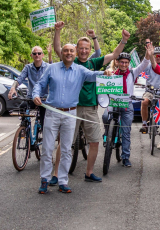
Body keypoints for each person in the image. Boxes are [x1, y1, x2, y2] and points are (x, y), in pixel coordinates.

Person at [54, 21, 130, 183]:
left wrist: (123, 40)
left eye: (86, 48)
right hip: (71, 109)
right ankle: (55, 174)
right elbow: (57, 49)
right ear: (76, 49)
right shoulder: (70, 61)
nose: (83, 51)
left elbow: (114, 55)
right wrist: (57, 31)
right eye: (80, 48)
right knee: (65, 143)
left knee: (95, 141)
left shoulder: (93, 63)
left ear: (89, 50)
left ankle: (89, 173)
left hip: (90, 109)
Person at [33, 43, 112, 194]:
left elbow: (93, 75)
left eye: (71, 51)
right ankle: (45, 179)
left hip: (70, 114)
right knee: (47, 148)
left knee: (66, 149)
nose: (68, 53)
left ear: (74, 53)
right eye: (66, 50)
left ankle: (63, 181)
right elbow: (40, 84)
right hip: (52, 112)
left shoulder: (81, 70)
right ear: (61, 53)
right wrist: (35, 95)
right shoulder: (52, 68)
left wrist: (105, 73)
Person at [109, 47, 152, 166]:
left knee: (126, 132)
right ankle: (108, 137)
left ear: (129, 63)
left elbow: (144, 64)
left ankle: (126, 157)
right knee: (104, 118)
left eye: (126, 62)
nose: (124, 64)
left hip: (127, 104)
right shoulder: (112, 74)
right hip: (115, 102)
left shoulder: (133, 72)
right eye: (121, 62)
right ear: (117, 62)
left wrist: (148, 54)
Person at [8, 46, 49, 128]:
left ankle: (43, 136)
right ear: (31, 55)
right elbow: (19, 79)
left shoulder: (48, 67)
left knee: (44, 120)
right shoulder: (28, 67)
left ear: (43, 55)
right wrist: (13, 88)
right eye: (35, 53)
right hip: (31, 97)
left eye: (39, 53)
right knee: (23, 107)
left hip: (43, 99)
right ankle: (24, 128)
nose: (37, 55)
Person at [139, 46, 160, 133]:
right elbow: (141, 69)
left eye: (159, 56)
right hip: (150, 90)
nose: (157, 58)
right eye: (155, 56)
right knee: (144, 102)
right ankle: (145, 124)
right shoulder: (149, 64)